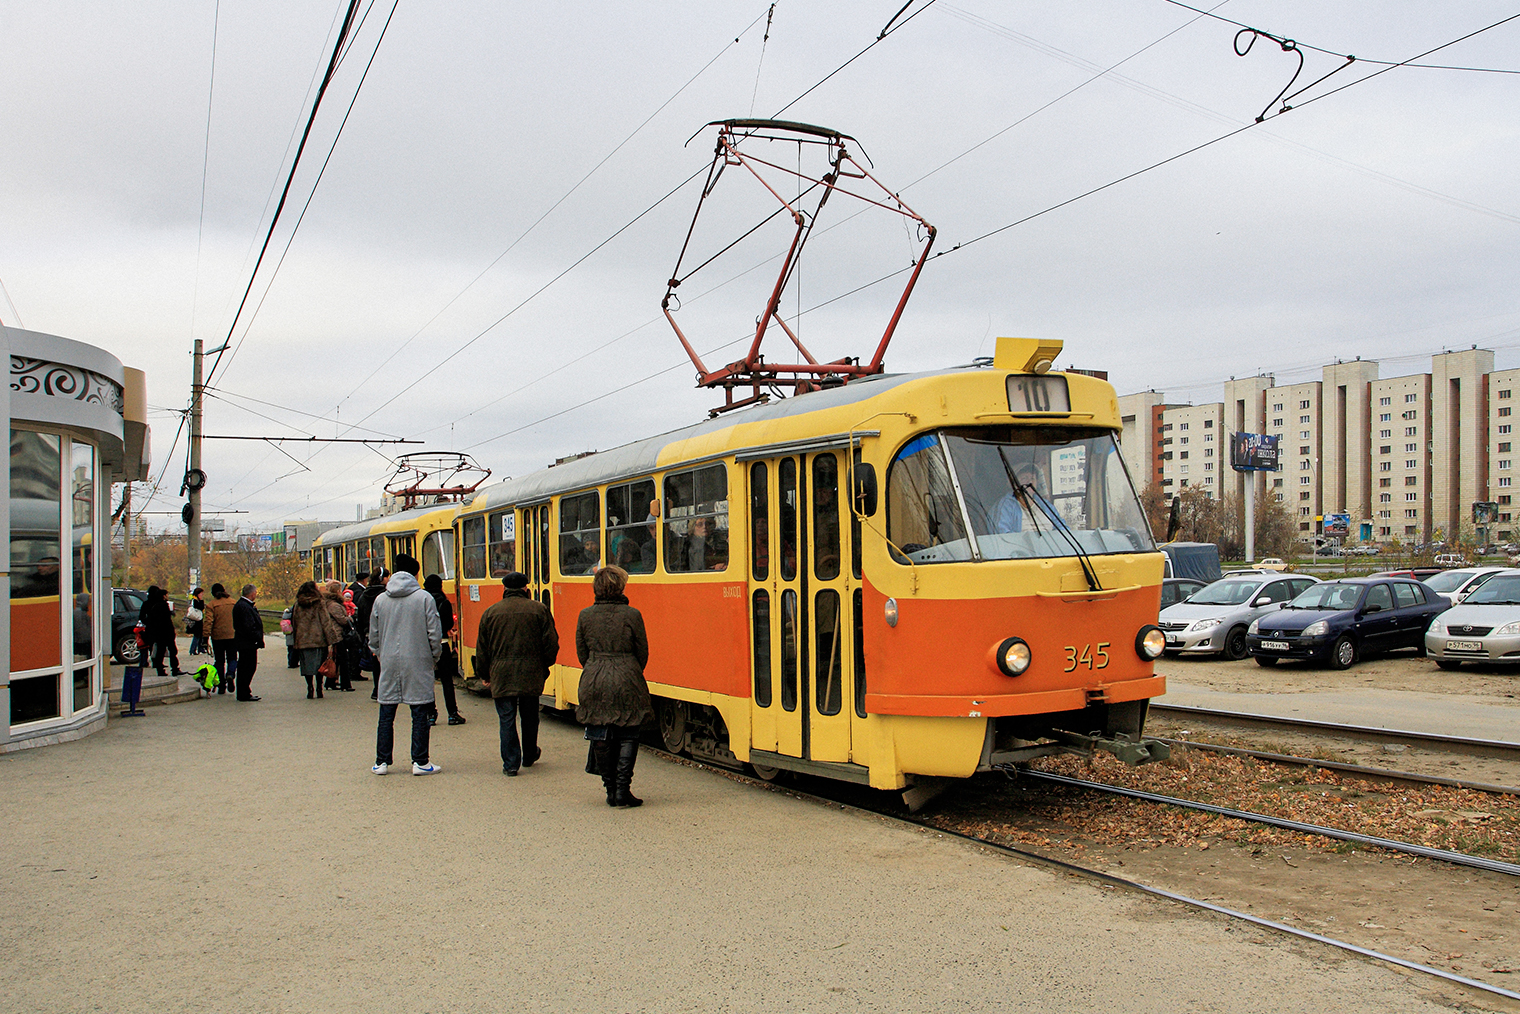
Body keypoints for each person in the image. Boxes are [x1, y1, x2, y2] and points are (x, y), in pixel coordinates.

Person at [575, 565, 651, 807]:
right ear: (620, 587)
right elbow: (642, 652)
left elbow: (581, 652)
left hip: (594, 676)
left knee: (599, 733)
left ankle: (609, 790)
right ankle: (622, 790)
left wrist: (596, 666)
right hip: (626, 675)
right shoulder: (632, 614)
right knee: (629, 733)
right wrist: (629, 668)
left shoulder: (585, 615)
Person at [477, 571, 558, 776]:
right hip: (531, 671)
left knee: (506, 718)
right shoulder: (539, 609)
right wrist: (544, 665)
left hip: (501, 674)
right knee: (530, 715)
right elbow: (551, 643)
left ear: (504, 589)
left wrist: (485, 674)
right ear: (525, 588)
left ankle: (511, 764)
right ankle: (529, 754)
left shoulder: (490, 612)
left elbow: (483, 648)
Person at [369, 554, 442, 776]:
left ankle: (381, 762)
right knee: (419, 710)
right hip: (418, 659)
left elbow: (374, 634)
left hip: (390, 660)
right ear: (415, 574)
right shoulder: (424, 598)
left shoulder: (381, 599)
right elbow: (434, 634)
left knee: (386, 712)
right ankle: (420, 761)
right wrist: (433, 657)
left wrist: (380, 652)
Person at [422, 573, 465, 727]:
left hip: (424, 645)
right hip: (442, 643)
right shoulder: (444, 602)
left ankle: (431, 714)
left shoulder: (421, 601)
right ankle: (452, 714)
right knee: (447, 680)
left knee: (428, 680)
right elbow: (447, 624)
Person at [291, 580, 341, 699]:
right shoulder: (319, 603)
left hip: (303, 640)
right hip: (319, 640)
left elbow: (295, 622)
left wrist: (296, 639)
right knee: (320, 665)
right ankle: (319, 687)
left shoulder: (298, 604)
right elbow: (325, 622)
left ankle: (310, 687)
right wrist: (332, 639)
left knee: (307, 666)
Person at [139, 586, 186, 679]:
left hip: (155, 631)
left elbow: (142, 617)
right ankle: (174, 668)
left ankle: (159, 668)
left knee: (159, 650)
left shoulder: (147, 604)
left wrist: (150, 624)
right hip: (166, 631)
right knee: (172, 651)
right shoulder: (162, 604)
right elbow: (167, 620)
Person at [356, 567, 389, 693]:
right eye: (387, 577)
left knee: (376, 660)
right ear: (382, 579)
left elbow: (361, 615)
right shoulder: (385, 595)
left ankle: (377, 688)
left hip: (369, 631)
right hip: (385, 630)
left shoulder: (365, 595)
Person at [231, 584, 264, 701]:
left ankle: (244, 691)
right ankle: (243, 692)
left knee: (246, 667)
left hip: (245, 642)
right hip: (247, 643)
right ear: (252, 593)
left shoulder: (242, 605)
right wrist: (257, 638)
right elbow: (248, 626)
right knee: (247, 667)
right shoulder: (244, 607)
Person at [323, 581, 358, 692]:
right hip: (337, 634)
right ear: (338, 591)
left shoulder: (329, 603)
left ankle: (330, 682)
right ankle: (345, 684)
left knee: (337, 659)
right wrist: (349, 619)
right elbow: (341, 620)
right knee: (343, 659)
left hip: (335, 634)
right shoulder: (334, 605)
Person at [206, 584, 237, 694]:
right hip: (232, 636)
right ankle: (230, 674)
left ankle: (222, 685)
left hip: (217, 637)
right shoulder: (233, 603)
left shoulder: (212, 605)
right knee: (232, 658)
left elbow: (208, 622)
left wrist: (205, 637)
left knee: (219, 661)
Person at [186, 588, 205, 656]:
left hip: (198, 619)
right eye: (201, 593)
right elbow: (200, 607)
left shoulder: (195, 600)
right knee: (197, 635)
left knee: (200, 635)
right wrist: (201, 601)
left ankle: (200, 648)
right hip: (197, 620)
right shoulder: (196, 601)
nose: (202, 595)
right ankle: (192, 649)